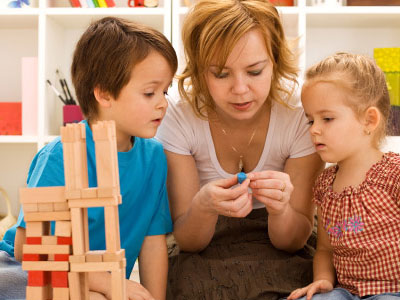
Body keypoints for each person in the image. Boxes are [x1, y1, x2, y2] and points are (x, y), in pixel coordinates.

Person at [156, 0, 325, 299]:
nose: (240, 89)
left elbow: (293, 241)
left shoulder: (299, 112)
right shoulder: (180, 116)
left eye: (255, 71)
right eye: (221, 74)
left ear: (274, 62)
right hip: (205, 245)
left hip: (281, 244)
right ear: (199, 70)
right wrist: (204, 206)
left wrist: (281, 208)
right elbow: (188, 240)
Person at [0, 16, 177, 300]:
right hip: (24, 271)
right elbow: (28, 249)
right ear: (104, 94)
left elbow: (152, 241)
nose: (163, 102)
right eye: (149, 92)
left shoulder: (154, 157)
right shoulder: (59, 156)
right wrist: (105, 283)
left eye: (165, 91)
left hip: (98, 280)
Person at [287, 52, 400, 300]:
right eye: (310, 120)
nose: (315, 129)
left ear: (369, 120)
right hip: (345, 293)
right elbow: (325, 249)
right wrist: (323, 281)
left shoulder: (394, 174)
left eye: (327, 118)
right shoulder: (325, 184)